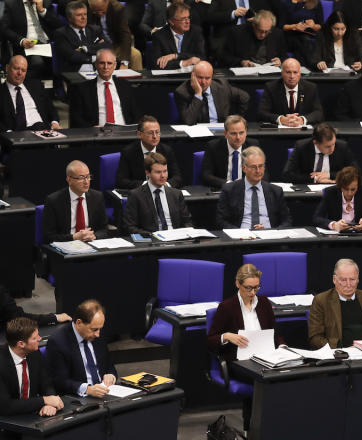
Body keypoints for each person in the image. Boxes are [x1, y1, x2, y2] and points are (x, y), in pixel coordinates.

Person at [206, 264, 284, 431]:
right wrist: (227, 336)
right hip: (238, 360)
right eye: (248, 288)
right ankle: (253, 429)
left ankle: (275, 426)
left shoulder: (263, 303)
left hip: (264, 356)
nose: (252, 293)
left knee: (285, 375)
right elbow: (210, 341)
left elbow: (274, 333)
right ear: (238, 284)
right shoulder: (227, 307)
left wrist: (282, 346)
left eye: (256, 287)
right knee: (262, 379)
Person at [0, 317, 64, 438]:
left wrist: (50, 404)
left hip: (28, 418)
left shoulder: (34, 353)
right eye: (35, 338)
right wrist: (44, 400)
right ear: (21, 344)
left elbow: (46, 383)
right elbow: (6, 407)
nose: (40, 339)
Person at [307, 259, 362, 348]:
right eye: (343, 280)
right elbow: (315, 338)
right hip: (341, 355)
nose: (348, 284)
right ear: (334, 279)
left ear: (358, 279)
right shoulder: (321, 301)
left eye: (352, 279)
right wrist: (340, 350)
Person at [45, 299, 117, 396]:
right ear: (79, 323)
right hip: (79, 398)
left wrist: (111, 375)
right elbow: (59, 381)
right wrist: (87, 389)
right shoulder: (58, 342)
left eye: (100, 329)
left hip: (105, 392)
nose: (98, 334)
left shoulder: (97, 332)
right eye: (94, 329)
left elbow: (109, 365)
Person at [216, 147, 291, 230]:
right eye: (253, 167)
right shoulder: (229, 190)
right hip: (241, 238)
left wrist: (271, 231)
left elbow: (287, 221)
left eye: (261, 166)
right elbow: (221, 221)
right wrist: (240, 233)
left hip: (269, 237)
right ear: (244, 168)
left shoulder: (275, 191)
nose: (258, 171)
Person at [2, 0, 61, 76]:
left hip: (46, 44)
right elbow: (5, 29)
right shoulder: (11, 5)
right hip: (27, 46)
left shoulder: (45, 2)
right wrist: (21, 40)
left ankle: (56, 90)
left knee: (61, 60)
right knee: (38, 63)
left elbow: (58, 25)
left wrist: (42, 11)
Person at [122, 153, 195, 234]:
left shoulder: (176, 194)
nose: (163, 176)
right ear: (148, 173)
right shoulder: (136, 195)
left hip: (176, 239)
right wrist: (150, 235)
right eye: (158, 172)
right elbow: (129, 227)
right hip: (152, 241)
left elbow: (187, 221)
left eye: (165, 171)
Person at [0, 55, 62, 134]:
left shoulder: (36, 86)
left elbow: (51, 109)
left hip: (42, 131)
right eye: (16, 68)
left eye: (23, 70)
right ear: (7, 68)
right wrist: (8, 133)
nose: (20, 73)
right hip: (17, 135)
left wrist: (54, 123)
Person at [68, 48, 137, 128]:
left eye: (109, 63)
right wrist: (91, 129)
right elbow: (76, 118)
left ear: (115, 65)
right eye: (102, 63)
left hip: (124, 133)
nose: (106, 67)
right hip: (97, 135)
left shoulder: (125, 86)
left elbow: (135, 114)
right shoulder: (82, 89)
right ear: (96, 65)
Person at [42, 160, 109, 243]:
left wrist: (94, 236)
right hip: (67, 245)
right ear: (69, 180)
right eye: (81, 178)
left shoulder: (97, 197)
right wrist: (73, 237)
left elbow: (104, 229)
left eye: (88, 177)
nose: (86, 182)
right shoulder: (54, 201)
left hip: (91, 244)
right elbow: (48, 236)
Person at [115, 115, 183, 189]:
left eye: (157, 132)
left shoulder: (166, 151)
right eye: (150, 133)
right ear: (139, 134)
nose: (155, 136)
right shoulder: (129, 152)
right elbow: (121, 181)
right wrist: (147, 186)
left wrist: (164, 185)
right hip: (140, 196)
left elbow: (177, 178)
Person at [173, 61, 248, 125]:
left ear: (212, 77)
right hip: (197, 137)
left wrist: (236, 122)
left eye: (207, 78)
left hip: (221, 134)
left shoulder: (221, 86)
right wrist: (198, 94)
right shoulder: (182, 92)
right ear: (193, 76)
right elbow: (188, 121)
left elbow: (244, 97)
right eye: (200, 77)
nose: (203, 82)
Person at [312, 166, 362, 231]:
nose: (349, 193)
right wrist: (334, 225)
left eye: (353, 189)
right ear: (340, 186)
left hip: (359, 238)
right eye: (346, 189)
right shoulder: (330, 193)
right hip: (336, 239)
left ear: (358, 186)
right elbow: (316, 218)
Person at [283, 122, 358, 184]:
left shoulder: (342, 146)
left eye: (333, 144)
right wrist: (316, 179)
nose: (332, 149)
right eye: (328, 146)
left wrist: (329, 175)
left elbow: (356, 171)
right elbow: (287, 174)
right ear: (315, 143)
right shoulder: (302, 147)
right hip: (307, 192)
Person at [257, 58, 324, 127]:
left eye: (295, 72)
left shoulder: (310, 88)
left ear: (300, 73)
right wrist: (280, 119)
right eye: (288, 72)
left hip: (303, 133)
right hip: (278, 134)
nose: (292, 76)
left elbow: (318, 113)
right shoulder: (271, 87)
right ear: (282, 73)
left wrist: (302, 120)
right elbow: (262, 113)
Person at [201, 115, 261, 189]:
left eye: (241, 133)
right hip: (223, 192)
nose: (238, 137)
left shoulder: (253, 146)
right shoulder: (213, 146)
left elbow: (264, 174)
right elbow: (206, 176)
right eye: (233, 133)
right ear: (225, 134)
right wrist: (228, 184)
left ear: (246, 132)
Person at [86, 0, 141, 69]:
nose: (99, 14)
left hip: (115, 45)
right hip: (95, 45)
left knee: (136, 55)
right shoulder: (84, 4)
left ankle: (136, 81)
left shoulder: (117, 8)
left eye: (102, 11)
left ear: (107, 1)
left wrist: (124, 62)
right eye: (95, 12)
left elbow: (125, 35)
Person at [277, 0, 322, 66]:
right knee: (303, 40)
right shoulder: (285, 3)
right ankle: (314, 65)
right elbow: (281, 26)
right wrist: (294, 26)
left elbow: (321, 25)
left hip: (310, 35)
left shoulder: (316, 2)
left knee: (304, 41)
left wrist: (313, 26)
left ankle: (301, 69)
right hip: (291, 36)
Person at [222, 9, 288, 68]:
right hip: (244, 75)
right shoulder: (237, 33)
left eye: (267, 32)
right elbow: (225, 57)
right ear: (254, 25)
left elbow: (284, 56)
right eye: (260, 31)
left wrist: (280, 61)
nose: (263, 35)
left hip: (269, 75)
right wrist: (241, 62)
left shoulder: (277, 34)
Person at [55, 0, 109, 72]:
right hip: (75, 71)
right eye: (79, 15)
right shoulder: (61, 33)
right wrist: (95, 55)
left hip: (100, 69)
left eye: (85, 14)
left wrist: (85, 49)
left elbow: (107, 47)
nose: (84, 18)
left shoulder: (95, 29)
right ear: (70, 18)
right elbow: (72, 56)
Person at [152, 2, 204, 70]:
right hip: (168, 78)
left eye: (188, 17)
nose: (187, 22)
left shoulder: (196, 32)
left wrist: (176, 56)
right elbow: (157, 64)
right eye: (183, 19)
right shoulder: (159, 36)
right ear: (171, 21)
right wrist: (183, 63)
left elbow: (201, 58)